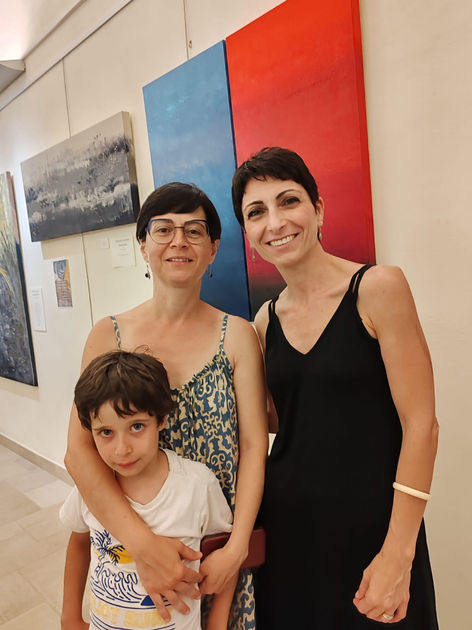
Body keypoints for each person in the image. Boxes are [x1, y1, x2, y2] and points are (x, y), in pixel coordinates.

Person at [231, 147, 439, 628]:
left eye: (289, 201)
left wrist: (399, 553)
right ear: (248, 234)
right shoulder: (265, 321)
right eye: (256, 212)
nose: (275, 221)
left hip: (374, 531)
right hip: (290, 533)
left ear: (318, 209)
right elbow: (282, 421)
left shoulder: (378, 288)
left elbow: (422, 426)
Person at [64, 183, 268, 629]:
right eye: (163, 229)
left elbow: (254, 446)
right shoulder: (109, 335)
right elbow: (79, 450)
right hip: (127, 541)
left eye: (194, 231)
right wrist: (144, 546)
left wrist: (235, 549)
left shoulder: (237, 335)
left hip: (212, 549)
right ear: (143, 245)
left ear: (213, 249)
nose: (179, 241)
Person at [61, 349, 236, 630]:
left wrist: (217, 624)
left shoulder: (197, 485)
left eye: (137, 427)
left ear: (161, 419)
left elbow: (224, 556)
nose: (122, 449)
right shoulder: (90, 487)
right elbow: (79, 542)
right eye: (106, 432)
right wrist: (69, 617)